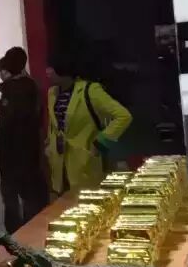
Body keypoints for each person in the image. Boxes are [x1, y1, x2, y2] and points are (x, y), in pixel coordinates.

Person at [46, 51, 132, 194]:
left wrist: (101, 143)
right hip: (59, 165)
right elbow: (54, 123)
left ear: (63, 69)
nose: (47, 72)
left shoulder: (90, 90)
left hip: (84, 162)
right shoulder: (52, 93)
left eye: (51, 68)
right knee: (63, 204)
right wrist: (49, 145)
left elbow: (123, 116)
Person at [0, 47, 49, 234]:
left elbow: (11, 115)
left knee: (12, 195)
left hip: (11, 150)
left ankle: (17, 234)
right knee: (30, 193)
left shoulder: (13, 90)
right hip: (29, 147)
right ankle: (32, 229)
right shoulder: (32, 86)